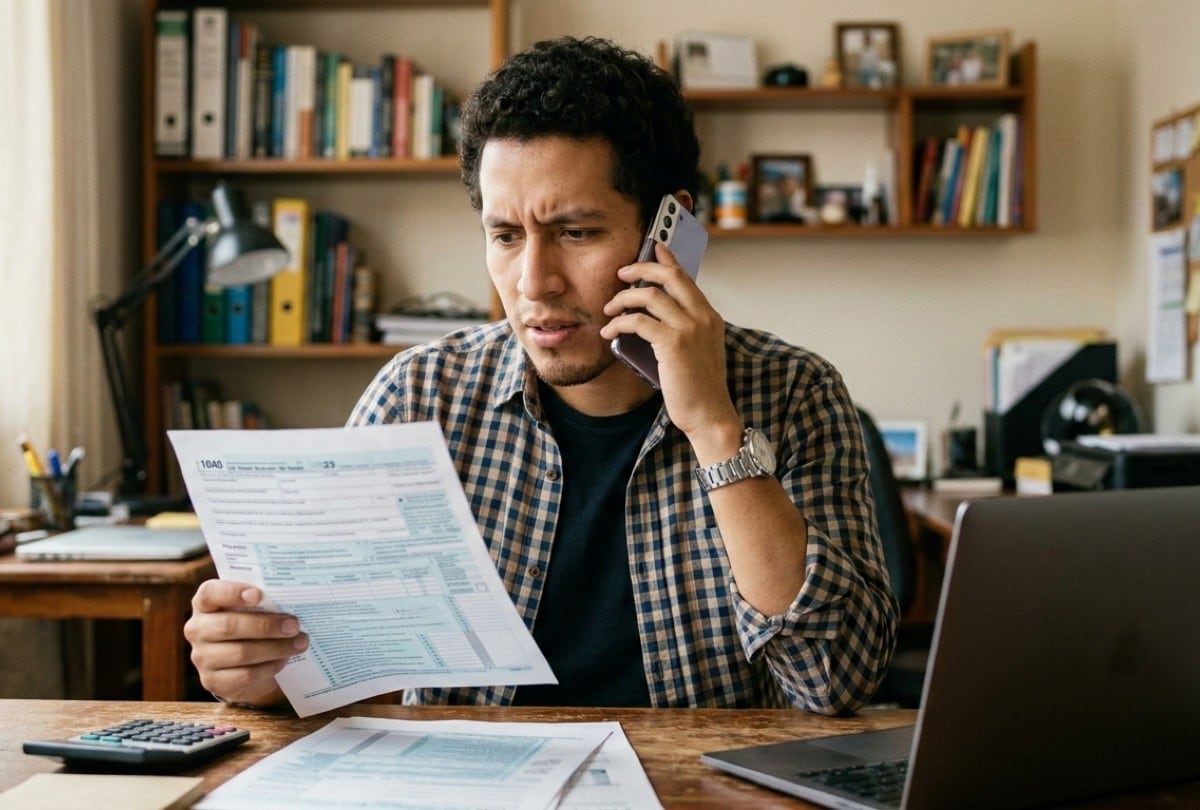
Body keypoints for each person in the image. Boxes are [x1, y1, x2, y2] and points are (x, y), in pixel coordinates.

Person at [184, 36, 898, 715]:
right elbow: (326, 660)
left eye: (576, 232)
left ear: (671, 229)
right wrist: (261, 671)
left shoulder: (794, 392)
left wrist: (714, 427)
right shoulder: (417, 397)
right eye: (505, 236)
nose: (533, 283)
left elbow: (832, 681)